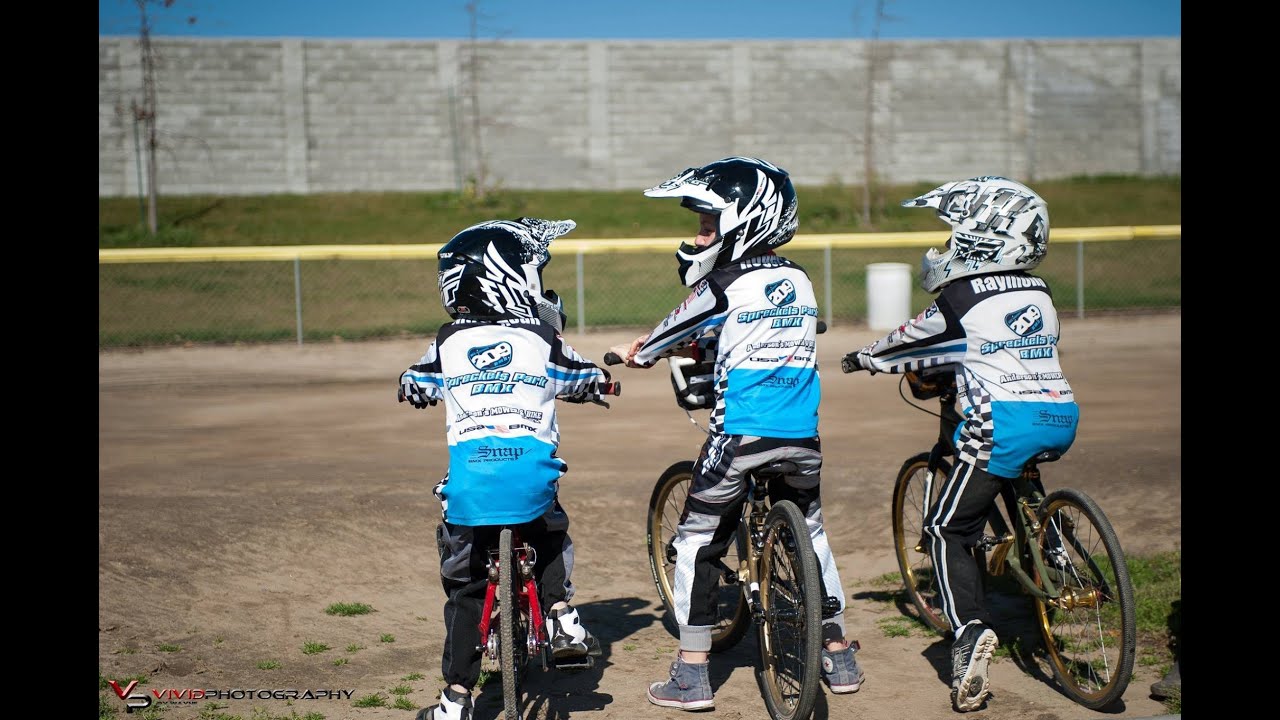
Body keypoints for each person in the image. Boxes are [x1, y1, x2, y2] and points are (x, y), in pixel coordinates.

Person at [614, 157, 864, 711]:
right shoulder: (798, 278)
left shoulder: (723, 282)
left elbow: (668, 332)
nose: (697, 238)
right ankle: (839, 654)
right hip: (803, 438)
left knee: (695, 541)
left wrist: (638, 352)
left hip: (742, 436)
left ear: (741, 222)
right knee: (812, 534)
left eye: (707, 226)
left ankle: (691, 673)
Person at [840, 176, 1079, 713]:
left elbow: (908, 341)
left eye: (953, 234)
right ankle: (1059, 554)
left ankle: (970, 631)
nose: (946, 246)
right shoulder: (1039, 290)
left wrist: (866, 357)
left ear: (981, 238)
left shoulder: (962, 297)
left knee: (945, 529)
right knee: (1020, 480)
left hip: (1002, 423)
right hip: (1061, 413)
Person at [398, 217, 616, 720]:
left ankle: (455, 698)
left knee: (466, 587)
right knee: (549, 527)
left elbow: (417, 380)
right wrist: (602, 384)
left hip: (470, 485)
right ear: (510, 278)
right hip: (530, 477)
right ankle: (561, 615)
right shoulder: (540, 337)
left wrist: (411, 388)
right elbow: (580, 374)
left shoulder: (447, 341)